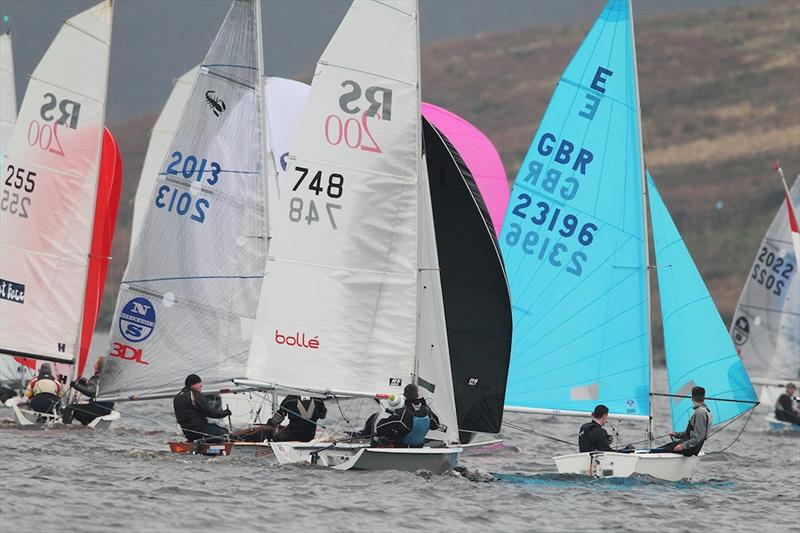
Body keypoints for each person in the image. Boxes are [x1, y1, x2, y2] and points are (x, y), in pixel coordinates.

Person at [651, 386, 711, 456]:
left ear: (692, 398)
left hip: (691, 448)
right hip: (690, 445)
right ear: (704, 398)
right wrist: (677, 434)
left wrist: (682, 446)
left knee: (657, 451)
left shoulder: (700, 413)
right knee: (663, 447)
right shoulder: (704, 410)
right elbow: (690, 433)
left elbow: (698, 437)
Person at [375, 384, 441, 447]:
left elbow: (379, 427)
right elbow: (435, 426)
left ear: (404, 395)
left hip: (402, 448)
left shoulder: (402, 412)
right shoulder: (426, 410)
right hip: (419, 448)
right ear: (417, 394)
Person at [173, 374, 232, 442]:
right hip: (200, 429)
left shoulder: (177, 397)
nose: (201, 385)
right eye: (198, 383)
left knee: (217, 429)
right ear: (192, 384)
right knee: (225, 433)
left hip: (188, 433)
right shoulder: (195, 395)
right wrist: (225, 413)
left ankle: (195, 443)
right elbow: (209, 412)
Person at [62, 357, 115, 426]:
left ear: (98, 366)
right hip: (106, 410)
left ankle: (65, 428)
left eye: (96, 363)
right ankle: (84, 427)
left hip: (96, 410)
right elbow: (97, 391)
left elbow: (92, 392)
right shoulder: (110, 378)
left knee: (70, 407)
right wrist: (84, 384)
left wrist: (76, 385)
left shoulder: (98, 378)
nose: (94, 365)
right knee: (79, 408)